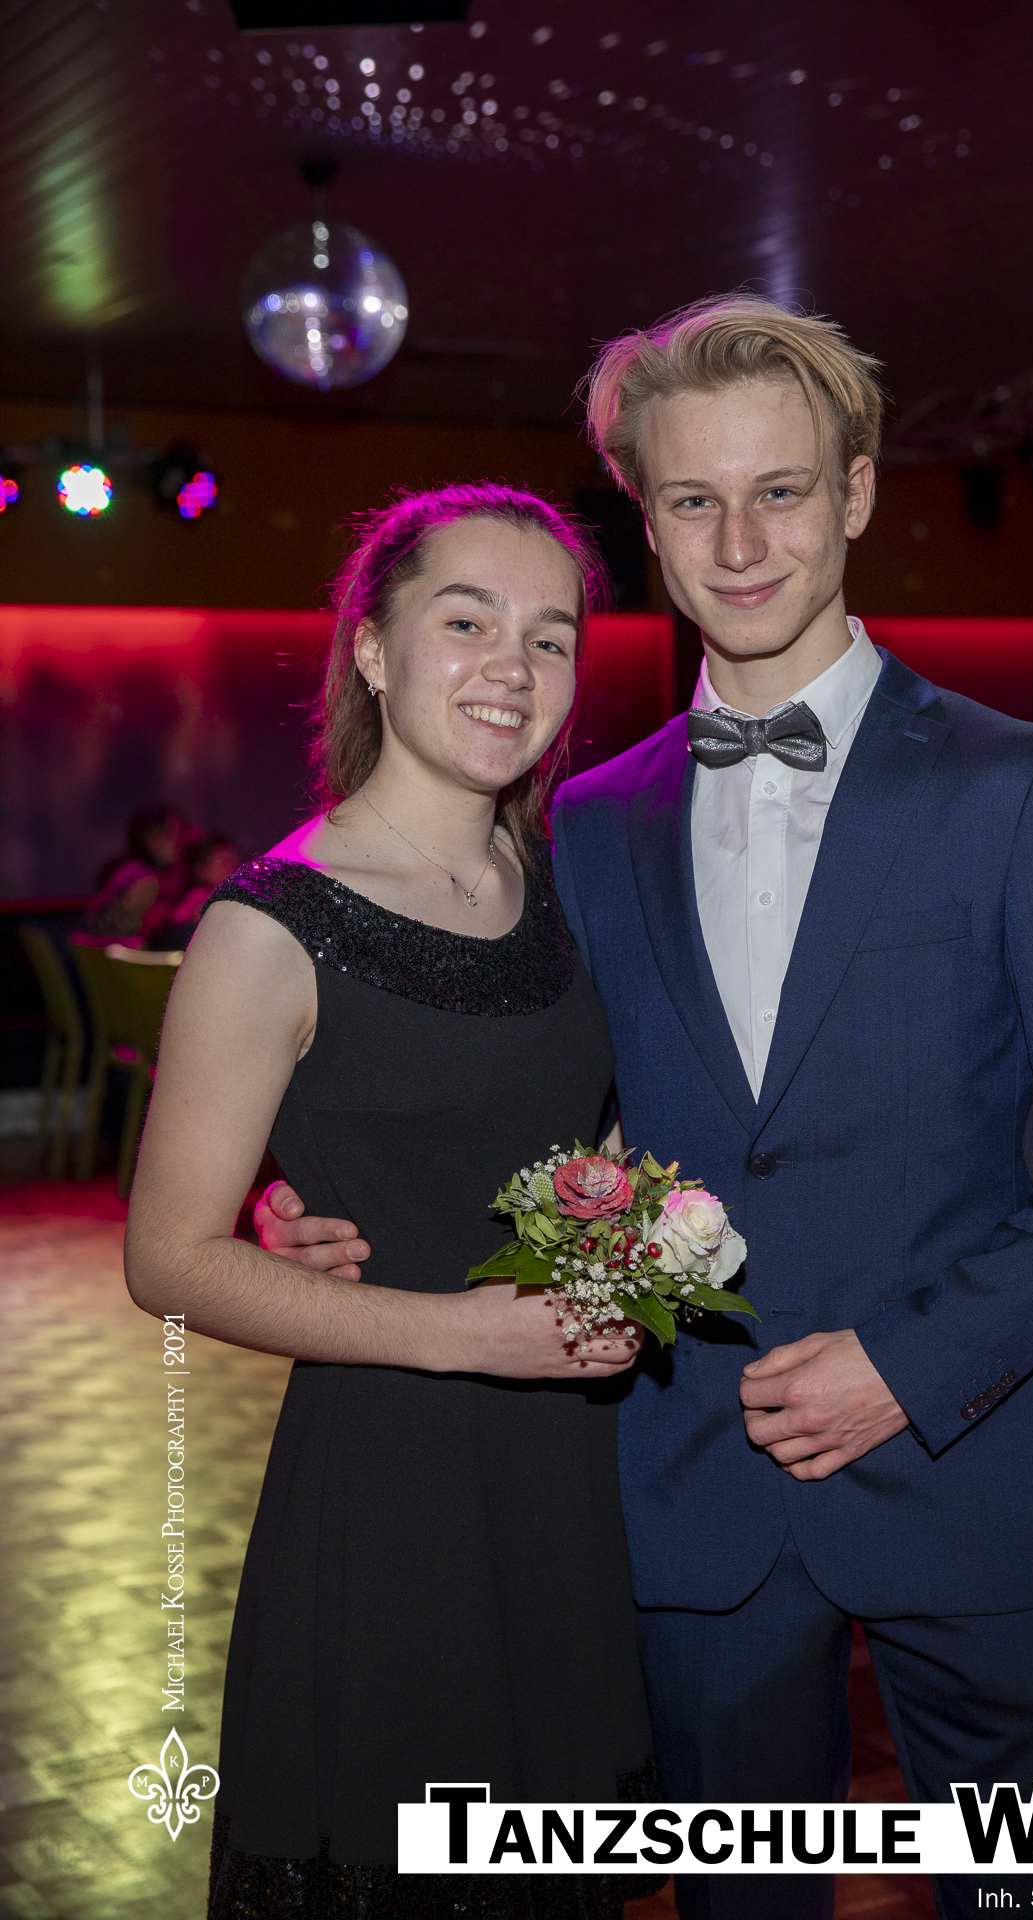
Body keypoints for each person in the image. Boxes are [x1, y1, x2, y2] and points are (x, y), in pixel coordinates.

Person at [261, 298, 1033, 1920]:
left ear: (857, 493)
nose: (742, 543)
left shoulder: (1021, 784)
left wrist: (908, 1367)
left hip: (973, 1483)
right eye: (696, 500)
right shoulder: (588, 823)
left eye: (781, 491)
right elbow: (543, 1120)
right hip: (687, 1498)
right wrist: (335, 1205)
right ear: (648, 521)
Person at [123, 484, 661, 1920]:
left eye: (550, 638)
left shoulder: (573, 890)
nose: (513, 668)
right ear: (370, 648)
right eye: (466, 622)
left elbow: (602, 1138)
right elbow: (166, 1260)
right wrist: (463, 1331)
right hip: (393, 1491)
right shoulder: (268, 927)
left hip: (574, 1487)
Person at [83, 801, 187, 938]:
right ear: (149, 838)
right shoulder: (140, 877)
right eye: (170, 835)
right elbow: (111, 932)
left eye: (180, 834)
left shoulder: (146, 872)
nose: (178, 842)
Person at [143, 831, 240, 949]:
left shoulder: (239, 897)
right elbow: (172, 928)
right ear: (201, 870)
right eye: (223, 861)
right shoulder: (196, 898)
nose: (232, 866)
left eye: (232, 859)